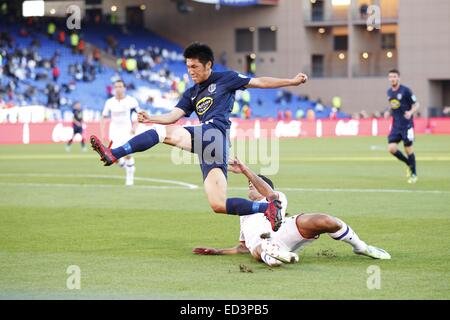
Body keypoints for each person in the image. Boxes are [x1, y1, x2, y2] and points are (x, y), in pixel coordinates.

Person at [90, 42, 308, 231]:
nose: (190, 71)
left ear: (209, 65)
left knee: (161, 134)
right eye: (187, 67)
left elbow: (259, 82)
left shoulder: (226, 78)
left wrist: (291, 81)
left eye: (194, 66)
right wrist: (151, 118)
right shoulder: (191, 92)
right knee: (218, 204)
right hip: (213, 145)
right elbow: (174, 116)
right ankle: (268, 208)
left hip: (215, 133)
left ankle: (114, 153)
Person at [193, 158, 391, 267]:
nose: (249, 187)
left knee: (326, 220)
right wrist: (218, 251)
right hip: (260, 245)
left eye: (252, 184)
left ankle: (361, 247)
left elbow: (269, 195)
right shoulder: (245, 212)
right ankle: (274, 256)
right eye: (248, 184)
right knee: (258, 247)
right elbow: (243, 248)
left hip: (283, 233)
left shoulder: (276, 198)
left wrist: (246, 171)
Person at [100, 80, 140, 186]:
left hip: (127, 130)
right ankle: (127, 167)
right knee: (113, 156)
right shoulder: (109, 102)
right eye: (116, 86)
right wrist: (102, 133)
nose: (118, 88)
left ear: (124, 88)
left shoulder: (131, 100)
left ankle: (129, 178)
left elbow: (140, 114)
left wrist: (135, 126)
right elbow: (103, 117)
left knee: (127, 154)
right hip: (114, 131)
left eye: (120, 86)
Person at [384, 69, 420, 184]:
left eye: (394, 76)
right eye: (390, 77)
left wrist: (410, 112)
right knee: (391, 148)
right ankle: (409, 164)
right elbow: (392, 105)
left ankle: (414, 174)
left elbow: (417, 104)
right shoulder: (389, 92)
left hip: (407, 125)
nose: (392, 79)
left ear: (398, 78)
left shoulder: (406, 91)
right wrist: (388, 112)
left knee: (408, 149)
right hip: (396, 125)